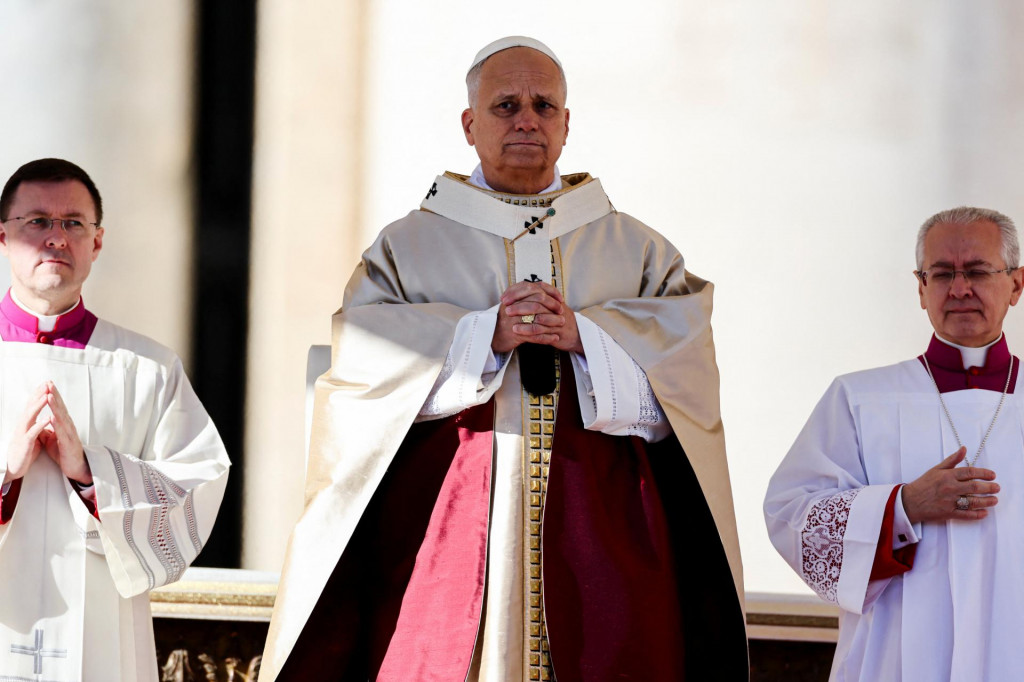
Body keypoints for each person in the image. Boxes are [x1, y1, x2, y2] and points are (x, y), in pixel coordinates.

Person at [263, 36, 747, 681]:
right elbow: (357, 378)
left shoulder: (636, 250)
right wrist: (478, 337)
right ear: (470, 124)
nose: (526, 120)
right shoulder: (408, 247)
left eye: (544, 106)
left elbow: (688, 388)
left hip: (602, 539)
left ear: (566, 124)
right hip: (446, 528)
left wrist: (588, 337)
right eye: (506, 105)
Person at [764, 206, 1024, 681]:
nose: (959, 289)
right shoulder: (860, 398)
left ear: (1016, 284)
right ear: (921, 289)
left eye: (977, 271)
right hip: (896, 660)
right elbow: (790, 518)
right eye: (941, 273)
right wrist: (901, 507)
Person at [0, 158, 230, 681]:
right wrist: (6, 474)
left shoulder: (147, 368)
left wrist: (92, 474)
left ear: (97, 242)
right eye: (37, 221)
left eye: (73, 223)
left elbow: (200, 483)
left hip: (99, 625)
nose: (56, 237)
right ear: (4, 237)